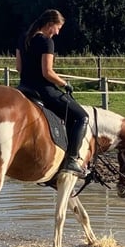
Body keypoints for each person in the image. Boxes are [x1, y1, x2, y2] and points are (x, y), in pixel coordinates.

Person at [16, 9, 90, 178]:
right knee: (81, 117)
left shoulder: (23, 38)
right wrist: (65, 83)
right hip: (43, 90)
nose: (57, 32)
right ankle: (71, 160)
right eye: (58, 28)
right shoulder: (46, 42)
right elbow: (47, 72)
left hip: (23, 88)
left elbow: (18, 68)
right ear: (50, 25)